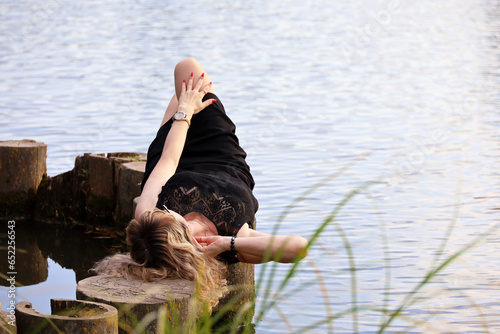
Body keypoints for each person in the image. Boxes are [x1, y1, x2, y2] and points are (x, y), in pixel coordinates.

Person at [94, 58, 308, 308]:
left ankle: (185, 105)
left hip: (175, 158)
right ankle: (186, 104)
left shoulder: (147, 214)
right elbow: (299, 247)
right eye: (167, 215)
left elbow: (169, 161)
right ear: (179, 231)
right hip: (222, 157)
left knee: (185, 84)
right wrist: (228, 243)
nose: (163, 210)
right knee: (190, 72)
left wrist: (184, 112)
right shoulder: (230, 239)